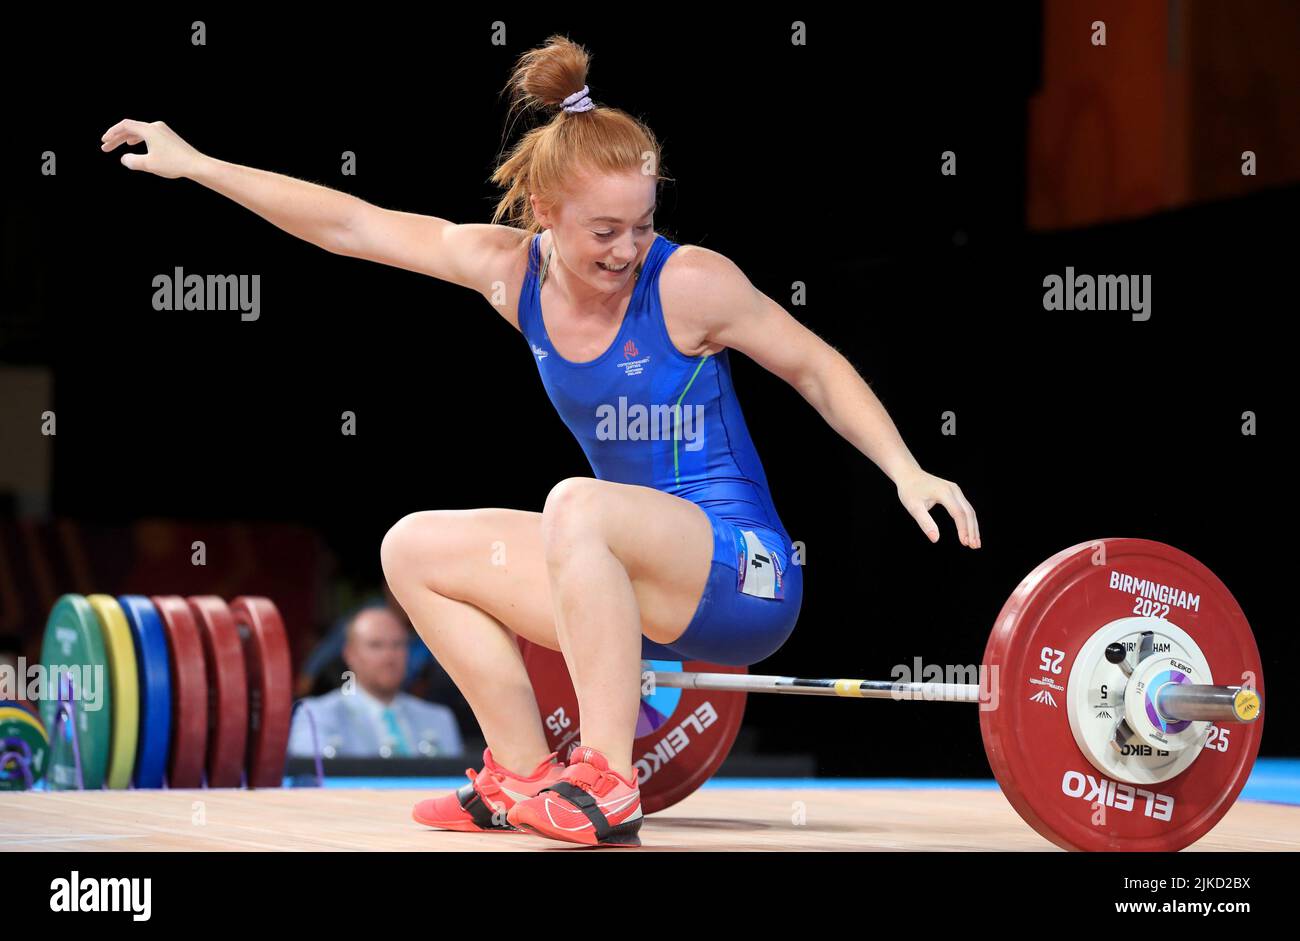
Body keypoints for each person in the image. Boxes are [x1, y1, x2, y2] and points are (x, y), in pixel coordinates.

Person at [100, 34, 979, 847]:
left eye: (642, 224)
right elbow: (351, 225)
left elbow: (815, 365)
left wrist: (907, 468)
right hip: (623, 577)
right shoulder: (507, 272)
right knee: (412, 546)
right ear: (546, 210)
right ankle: (521, 771)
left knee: (574, 504)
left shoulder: (691, 284)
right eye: (605, 230)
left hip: (745, 576)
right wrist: (200, 165)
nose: (629, 247)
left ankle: (609, 779)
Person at [287, 606, 464, 760]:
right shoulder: (314, 716)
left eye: (397, 645)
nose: (389, 656)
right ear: (350, 654)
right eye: (376, 645)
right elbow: (312, 785)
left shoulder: (439, 718)